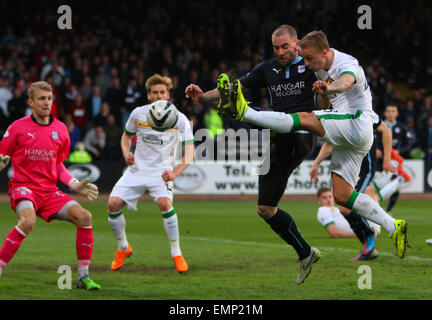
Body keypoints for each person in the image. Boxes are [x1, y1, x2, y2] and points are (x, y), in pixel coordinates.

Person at [218, 30, 409, 259]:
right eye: (304, 58)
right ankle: (393, 226)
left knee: (305, 118)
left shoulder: (346, 63)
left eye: (309, 59)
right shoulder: (318, 66)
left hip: (356, 123)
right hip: (351, 135)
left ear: (325, 52)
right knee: (342, 195)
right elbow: (328, 108)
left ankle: (245, 112)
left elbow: (346, 81)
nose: (306, 63)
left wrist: (330, 87)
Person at [185, 25, 325, 285]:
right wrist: (203, 95)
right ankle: (305, 253)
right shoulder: (267, 69)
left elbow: (330, 90)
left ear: (297, 45)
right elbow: (234, 86)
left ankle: (246, 113)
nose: (280, 51)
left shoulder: (313, 67)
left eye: (285, 46)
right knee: (265, 209)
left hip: (303, 134)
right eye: (276, 47)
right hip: (278, 141)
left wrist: (328, 92)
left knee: (278, 123)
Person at [0, 81, 100, 289]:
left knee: (85, 216)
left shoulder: (61, 130)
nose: (47, 103)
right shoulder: (17, 127)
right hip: (24, 187)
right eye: (41, 98)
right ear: (31, 102)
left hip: (49, 191)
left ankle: (83, 277)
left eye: (49, 98)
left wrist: (74, 185)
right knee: (27, 222)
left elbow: (58, 165)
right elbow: (2, 156)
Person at [107, 74, 195, 273]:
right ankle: (123, 248)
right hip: (137, 170)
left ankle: (176, 253)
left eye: (162, 92)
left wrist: (175, 173)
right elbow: (125, 138)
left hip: (161, 172)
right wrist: (126, 153)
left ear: (168, 95)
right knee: (112, 204)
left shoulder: (179, 118)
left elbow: (190, 152)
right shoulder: (138, 114)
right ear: (149, 95)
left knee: (165, 204)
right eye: (155, 92)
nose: (158, 95)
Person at [316, 188, 379, 261]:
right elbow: (333, 233)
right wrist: (353, 235)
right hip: (366, 226)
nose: (328, 199)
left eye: (330, 196)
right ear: (319, 201)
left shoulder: (337, 209)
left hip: (368, 223)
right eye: (324, 198)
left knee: (371, 191)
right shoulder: (323, 210)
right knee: (370, 190)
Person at [377, 104, 412, 214]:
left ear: (397, 114)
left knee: (396, 184)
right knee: (376, 184)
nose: (391, 113)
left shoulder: (402, 127)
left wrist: (399, 151)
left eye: (393, 111)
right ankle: (374, 204)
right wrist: (376, 149)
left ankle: (388, 210)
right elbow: (372, 139)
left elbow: (409, 144)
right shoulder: (378, 125)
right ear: (385, 113)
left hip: (395, 161)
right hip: (379, 161)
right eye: (389, 111)